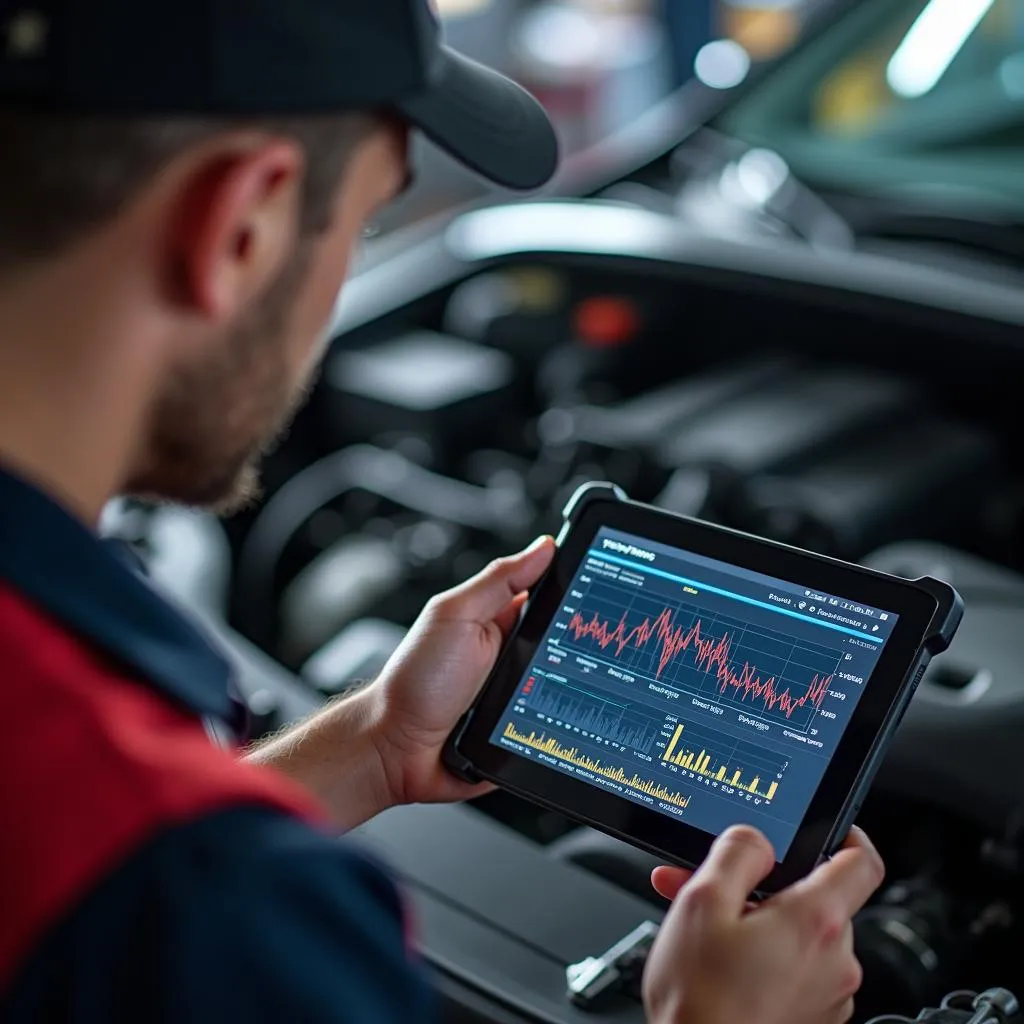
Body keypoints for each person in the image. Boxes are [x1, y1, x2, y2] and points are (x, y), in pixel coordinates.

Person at [0, 1, 885, 1021]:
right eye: (365, 220)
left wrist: (371, 743)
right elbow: (146, 862)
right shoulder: (204, 911)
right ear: (240, 225)